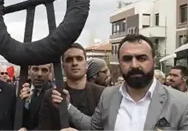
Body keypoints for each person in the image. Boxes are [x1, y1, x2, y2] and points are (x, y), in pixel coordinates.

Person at [51, 34, 188, 131]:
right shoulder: (108, 95)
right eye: (127, 59)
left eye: (142, 58)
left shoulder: (181, 103)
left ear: (154, 60)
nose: (134, 65)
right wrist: (68, 106)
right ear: (119, 62)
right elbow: (94, 128)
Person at [38, 43, 104, 131]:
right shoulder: (51, 95)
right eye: (69, 60)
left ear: (86, 64)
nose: (74, 63)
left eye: (79, 59)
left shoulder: (102, 94)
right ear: (63, 66)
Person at [19, 63, 53, 131]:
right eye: (35, 69)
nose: (39, 74)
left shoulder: (53, 95)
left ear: (50, 73)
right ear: (29, 70)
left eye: (44, 70)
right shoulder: (19, 89)